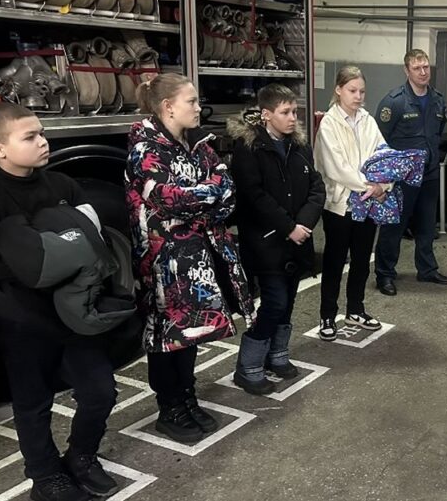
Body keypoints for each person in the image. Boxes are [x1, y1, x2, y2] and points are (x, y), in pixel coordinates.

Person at [0, 102, 118, 501]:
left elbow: (95, 244)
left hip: (75, 312)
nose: (43, 142)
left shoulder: (63, 186)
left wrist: (39, 249)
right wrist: (62, 250)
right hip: (22, 319)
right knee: (33, 404)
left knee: (101, 391)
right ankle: (46, 476)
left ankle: (82, 456)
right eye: (30, 136)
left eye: (42, 133)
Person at [125, 74, 255, 443]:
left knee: (191, 331)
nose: (199, 108)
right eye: (192, 101)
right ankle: (170, 407)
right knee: (167, 335)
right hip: (163, 261)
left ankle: (187, 396)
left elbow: (227, 192)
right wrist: (205, 195)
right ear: (168, 107)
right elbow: (169, 199)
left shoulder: (197, 144)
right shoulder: (145, 149)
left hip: (198, 256)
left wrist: (201, 198)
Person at [227, 83, 325, 395]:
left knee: (289, 301)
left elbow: (316, 187)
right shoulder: (249, 149)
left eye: (295, 111)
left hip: (297, 240)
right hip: (267, 242)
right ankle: (248, 366)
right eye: (285, 112)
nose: (293, 118)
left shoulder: (299, 146)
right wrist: (288, 227)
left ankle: (277, 355)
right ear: (266, 114)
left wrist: (304, 224)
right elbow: (254, 196)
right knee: (275, 301)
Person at [314, 66, 387, 340]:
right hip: (340, 205)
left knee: (362, 259)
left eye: (362, 91)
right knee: (334, 261)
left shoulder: (368, 121)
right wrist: (370, 187)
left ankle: (355, 309)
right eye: (352, 90)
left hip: (367, 204)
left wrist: (383, 185)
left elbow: (383, 155)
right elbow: (337, 168)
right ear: (338, 90)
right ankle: (327, 315)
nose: (358, 96)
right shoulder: (329, 124)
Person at [373, 49, 447, 296]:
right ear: (406, 71)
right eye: (417, 68)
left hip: (429, 173)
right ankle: (385, 274)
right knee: (394, 226)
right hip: (402, 177)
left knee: (427, 225)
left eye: (426, 67)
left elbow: (438, 131)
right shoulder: (394, 101)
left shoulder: (438, 99)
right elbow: (379, 139)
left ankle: (427, 269)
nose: (423, 72)